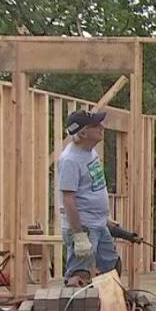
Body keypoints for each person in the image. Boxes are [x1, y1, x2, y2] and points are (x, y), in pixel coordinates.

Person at [57, 110, 117, 285]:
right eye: (95, 125)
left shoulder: (90, 152)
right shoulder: (70, 160)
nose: (102, 127)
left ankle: (106, 309)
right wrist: (79, 235)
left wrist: (105, 218)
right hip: (84, 226)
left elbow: (93, 188)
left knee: (110, 265)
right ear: (82, 133)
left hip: (98, 223)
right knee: (79, 275)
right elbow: (68, 199)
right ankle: (75, 308)